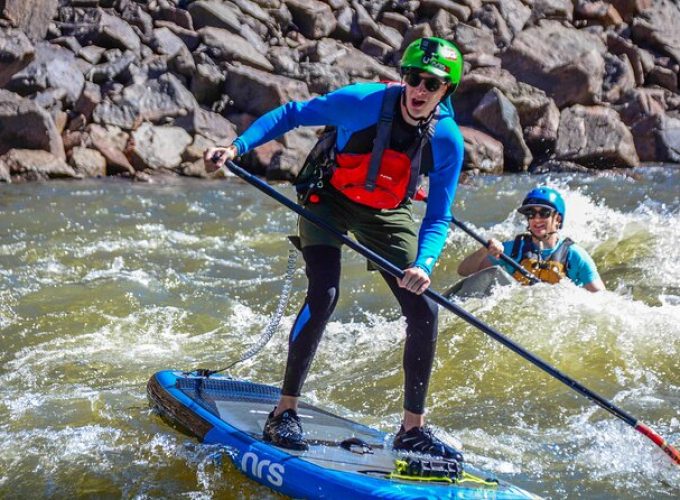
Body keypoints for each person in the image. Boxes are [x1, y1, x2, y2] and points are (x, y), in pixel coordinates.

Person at [204, 37, 465, 460]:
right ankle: (284, 412)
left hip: (386, 211)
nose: (420, 91)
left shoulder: (448, 140)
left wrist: (424, 263)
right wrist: (237, 147)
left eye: (432, 85)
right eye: (414, 79)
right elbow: (292, 114)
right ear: (404, 78)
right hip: (328, 198)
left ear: (446, 91)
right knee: (324, 293)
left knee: (424, 307)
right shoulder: (361, 101)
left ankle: (411, 430)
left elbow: (438, 215)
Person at [457, 187, 606, 292]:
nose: (536, 219)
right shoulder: (512, 249)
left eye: (544, 213)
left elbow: (601, 298)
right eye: (531, 213)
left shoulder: (575, 256)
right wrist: (485, 250)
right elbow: (464, 271)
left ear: (558, 219)